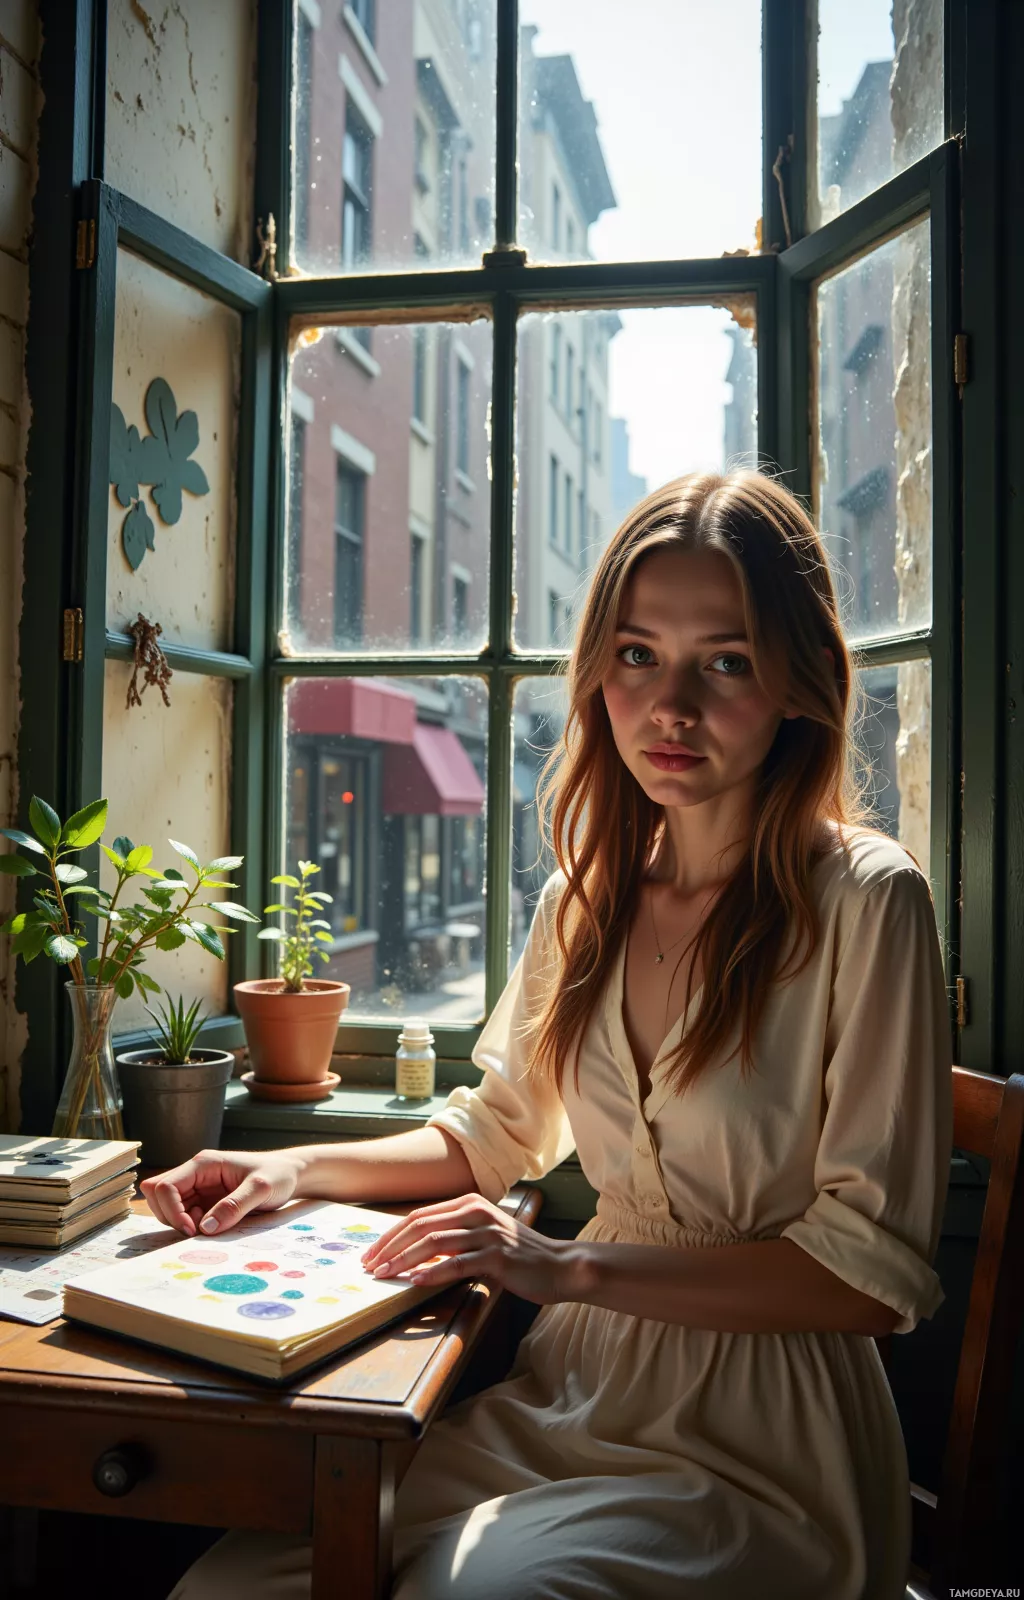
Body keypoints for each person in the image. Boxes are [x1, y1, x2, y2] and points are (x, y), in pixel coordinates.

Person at [150, 471, 953, 1600]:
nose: (669, 706)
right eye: (636, 654)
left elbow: (869, 1279)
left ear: (795, 683)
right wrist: (285, 1163)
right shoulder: (585, 899)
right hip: (572, 1395)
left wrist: (564, 1263)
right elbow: (496, 1133)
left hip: (764, 1440)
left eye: (723, 661)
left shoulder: (868, 901)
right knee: (233, 1584)